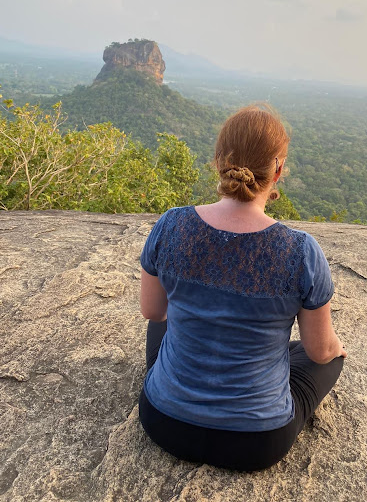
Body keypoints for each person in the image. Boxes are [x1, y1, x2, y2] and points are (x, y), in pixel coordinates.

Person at [138, 105, 346, 471]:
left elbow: (154, 313)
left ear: (218, 160)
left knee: (164, 321)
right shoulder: (300, 252)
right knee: (330, 355)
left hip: (163, 421)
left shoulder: (171, 225)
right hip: (256, 444)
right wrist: (334, 347)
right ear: (278, 169)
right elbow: (318, 352)